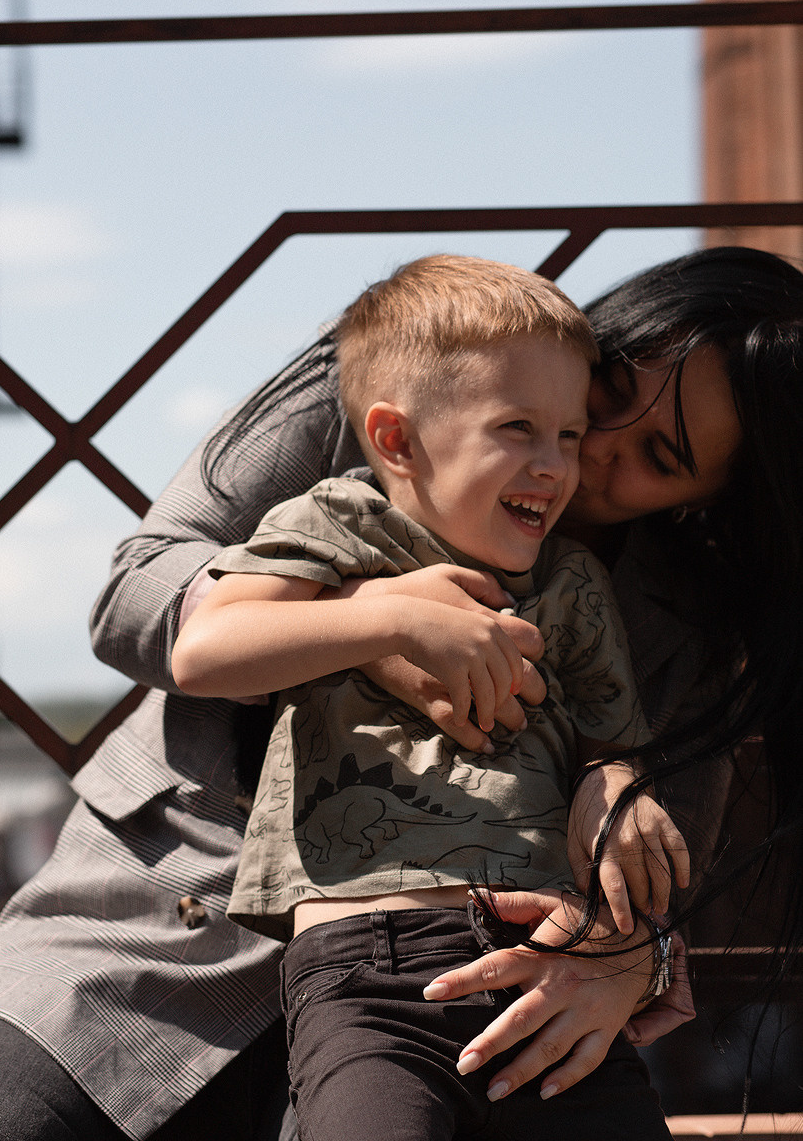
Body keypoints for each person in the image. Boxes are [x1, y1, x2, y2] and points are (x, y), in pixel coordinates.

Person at [0, 243, 800, 1139]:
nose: (587, 453)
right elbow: (137, 591)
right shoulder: (408, 372)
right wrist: (374, 623)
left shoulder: (691, 618)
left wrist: (628, 954)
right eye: (611, 389)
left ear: (713, 496)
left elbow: (654, 874)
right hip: (154, 925)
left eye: (656, 456)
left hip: (452, 1011)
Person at [170, 255, 687, 1139]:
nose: (555, 466)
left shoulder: (572, 583)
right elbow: (205, 649)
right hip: (367, 972)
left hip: (546, 964)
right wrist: (393, 620)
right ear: (398, 440)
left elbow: (611, 742)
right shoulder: (340, 524)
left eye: (569, 435)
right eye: (518, 428)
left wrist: (614, 781)